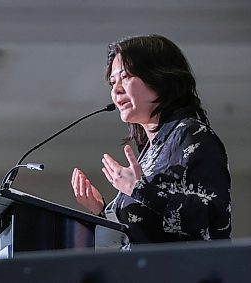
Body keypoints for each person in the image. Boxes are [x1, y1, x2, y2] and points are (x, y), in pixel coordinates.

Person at [71, 34, 231, 244]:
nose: (116, 89)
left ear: (159, 77)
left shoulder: (191, 135)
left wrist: (139, 189)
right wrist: (101, 211)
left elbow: (214, 222)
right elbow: (143, 231)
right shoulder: (150, 152)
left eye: (125, 77)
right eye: (112, 82)